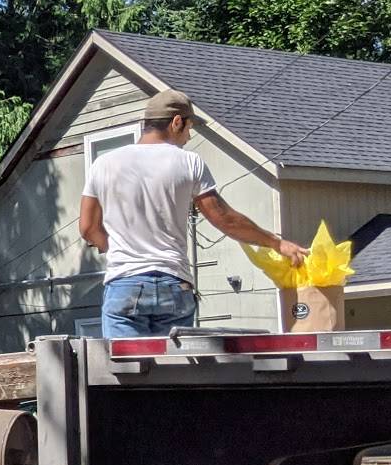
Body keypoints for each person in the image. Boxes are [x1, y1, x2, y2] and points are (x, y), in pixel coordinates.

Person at [79, 88, 309, 339]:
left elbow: (88, 228)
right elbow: (224, 219)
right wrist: (276, 243)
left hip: (125, 285)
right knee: (172, 364)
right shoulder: (189, 162)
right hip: (173, 284)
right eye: (189, 128)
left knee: (126, 363)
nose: (188, 137)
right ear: (176, 122)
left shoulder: (103, 164)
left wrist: (117, 249)